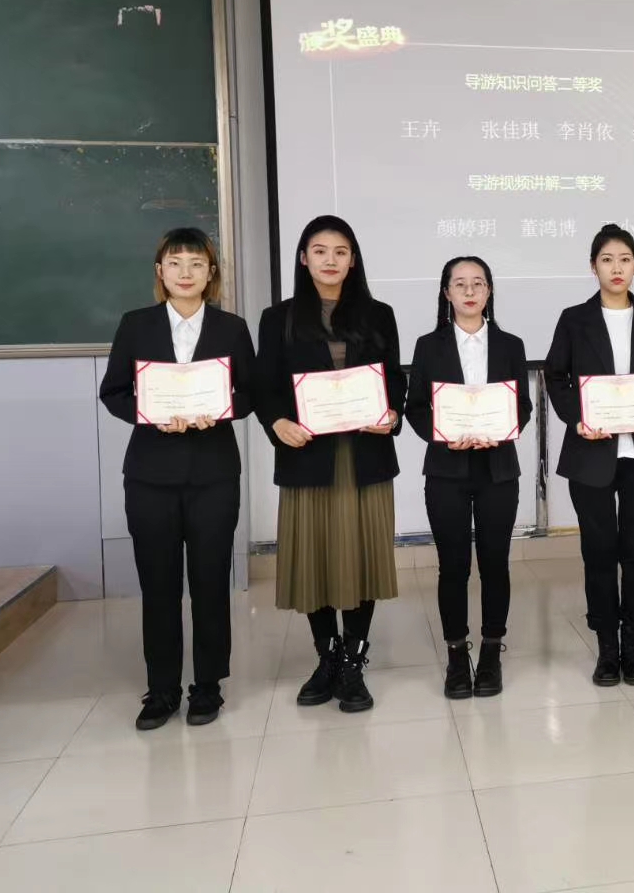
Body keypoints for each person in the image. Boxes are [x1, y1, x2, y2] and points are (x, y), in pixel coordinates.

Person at [99, 227, 256, 730]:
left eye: (196, 263)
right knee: (159, 586)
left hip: (214, 474)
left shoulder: (231, 328)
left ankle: (207, 685)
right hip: (150, 475)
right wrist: (151, 415)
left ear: (211, 273)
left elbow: (250, 392)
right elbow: (114, 392)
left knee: (210, 582)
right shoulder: (136, 324)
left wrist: (222, 410)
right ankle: (162, 688)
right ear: (160, 272)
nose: (185, 273)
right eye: (175, 263)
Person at [256, 215, 406, 712]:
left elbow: (394, 380)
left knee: (362, 559)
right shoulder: (277, 318)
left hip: (364, 457)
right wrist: (278, 422)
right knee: (314, 559)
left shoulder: (379, 314)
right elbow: (265, 386)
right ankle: (327, 657)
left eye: (341, 252)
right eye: (319, 251)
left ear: (353, 260)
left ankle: (353, 662)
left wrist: (392, 414)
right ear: (303, 258)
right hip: (308, 456)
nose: (330, 260)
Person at [545, 224, 634, 687]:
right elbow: (556, 376)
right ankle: (606, 647)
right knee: (599, 552)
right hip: (591, 452)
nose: (616, 268)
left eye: (624, 259)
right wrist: (577, 418)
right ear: (593, 267)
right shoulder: (574, 318)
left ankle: (633, 644)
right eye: (607, 259)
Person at [405, 256, 532, 700]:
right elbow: (415, 408)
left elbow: (523, 406)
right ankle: (457, 654)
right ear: (446, 293)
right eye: (460, 284)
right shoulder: (428, 345)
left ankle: (492, 651)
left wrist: (502, 430)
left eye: (478, 283)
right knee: (453, 566)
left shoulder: (511, 345)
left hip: (499, 470)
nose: (470, 291)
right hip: (447, 470)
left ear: (490, 290)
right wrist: (443, 435)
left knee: (495, 563)